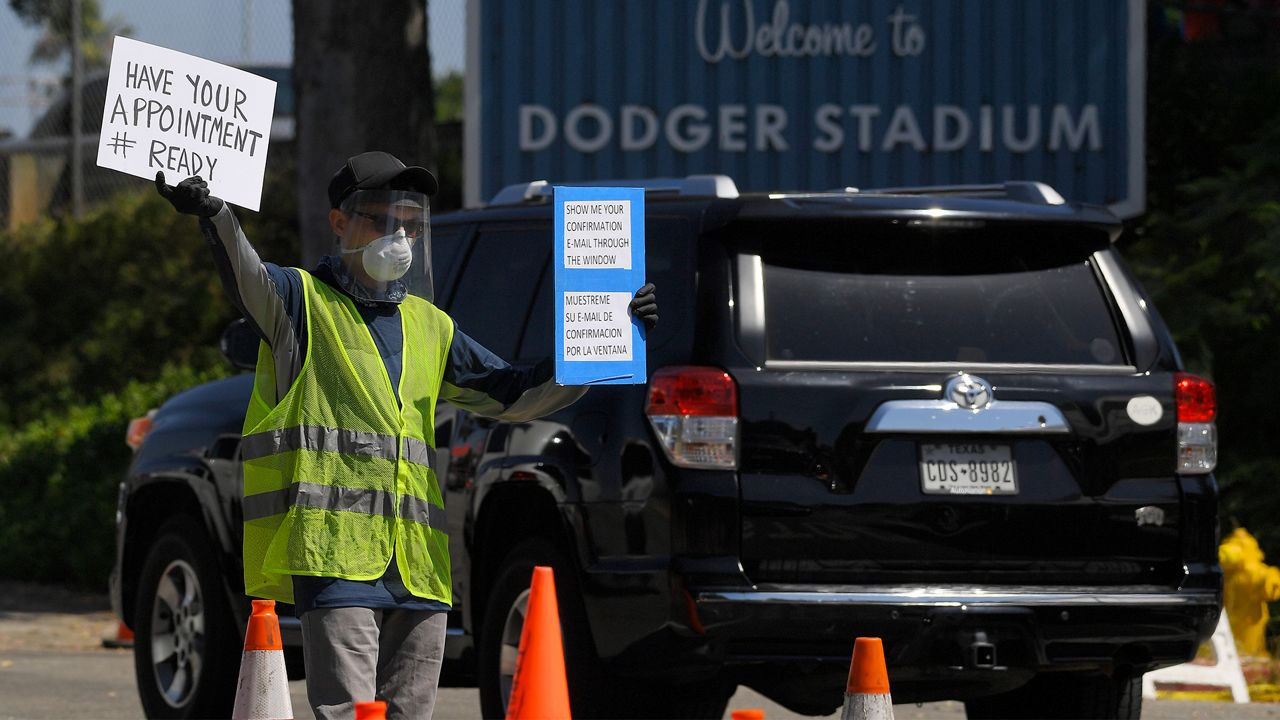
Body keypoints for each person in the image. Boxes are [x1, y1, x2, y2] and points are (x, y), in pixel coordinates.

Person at [155, 151, 658, 720]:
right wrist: (215, 212)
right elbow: (247, 274)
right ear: (339, 222)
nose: (398, 235)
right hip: (336, 558)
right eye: (379, 219)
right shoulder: (299, 304)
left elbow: (516, 393)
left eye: (410, 223)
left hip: (418, 568)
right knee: (348, 714)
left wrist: (611, 333)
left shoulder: (430, 325)